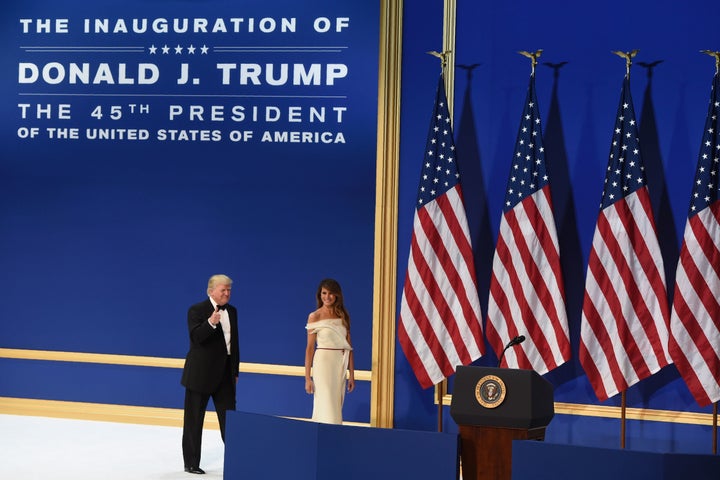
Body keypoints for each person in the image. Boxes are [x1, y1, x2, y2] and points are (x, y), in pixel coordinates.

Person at [181, 274, 239, 475]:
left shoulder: (232, 311)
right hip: (200, 375)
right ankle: (191, 463)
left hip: (224, 376)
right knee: (194, 421)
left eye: (229, 290)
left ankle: (237, 461)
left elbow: (234, 345)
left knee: (230, 421)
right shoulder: (196, 310)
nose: (227, 293)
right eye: (223, 290)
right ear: (211, 291)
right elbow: (196, 338)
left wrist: (235, 371)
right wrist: (211, 323)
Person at [304, 278, 355, 424]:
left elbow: (349, 347)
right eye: (324, 293)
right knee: (326, 402)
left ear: (337, 295)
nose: (327, 297)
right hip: (323, 363)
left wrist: (352, 374)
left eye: (331, 293)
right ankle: (326, 434)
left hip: (340, 363)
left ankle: (333, 434)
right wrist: (307, 378)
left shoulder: (343, 316)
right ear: (320, 295)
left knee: (336, 403)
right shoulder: (315, 316)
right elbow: (309, 349)